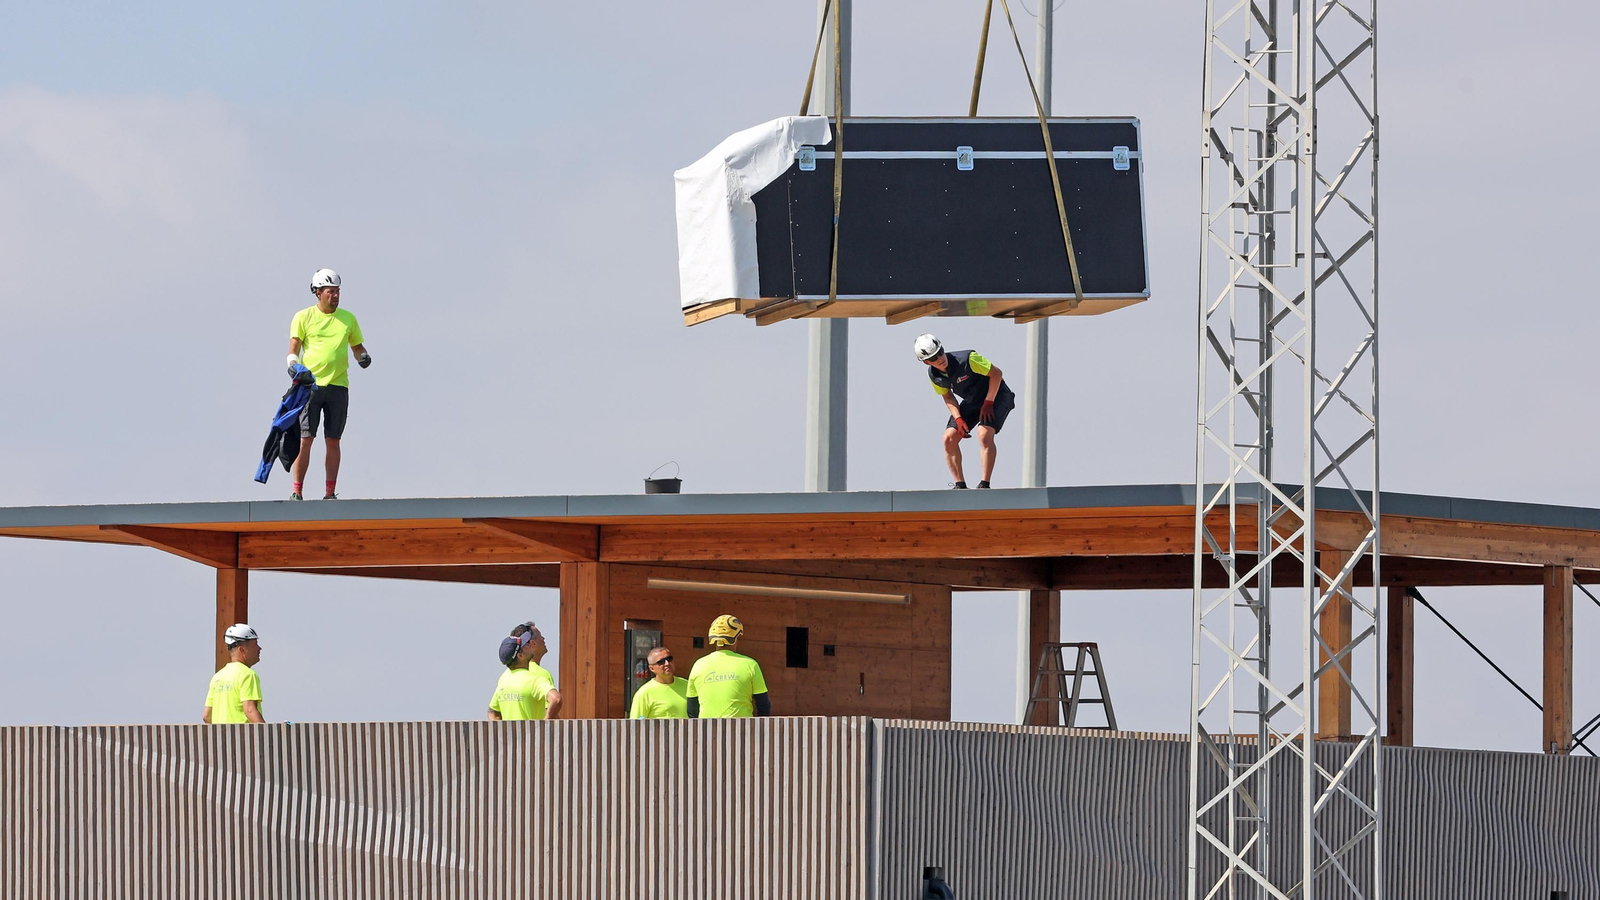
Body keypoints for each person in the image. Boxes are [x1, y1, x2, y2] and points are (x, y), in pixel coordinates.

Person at [286, 268, 372, 501]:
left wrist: (363, 356)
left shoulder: (348, 318)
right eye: (330, 292)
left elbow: (357, 347)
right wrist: (293, 365)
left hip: (338, 386)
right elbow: (293, 349)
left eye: (337, 291)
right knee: (306, 438)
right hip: (310, 386)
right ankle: (297, 491)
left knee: (333, 440)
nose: (335, 296)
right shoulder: (303, 317)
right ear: (318, 292)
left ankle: (330, 493)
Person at [912, 333, 1015, 489]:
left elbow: (996, 374)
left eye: (940, 352)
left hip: (997, 395)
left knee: (984, 434)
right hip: (972, 401)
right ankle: (960, 485)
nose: (940, 358)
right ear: (926, 362)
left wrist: (988, 402)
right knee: (948, 438)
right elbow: (948, 396)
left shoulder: (968, 359)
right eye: (933, 358)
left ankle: (984, 485)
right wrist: (958, 418)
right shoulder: (934, 375)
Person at [686, 615, 771, 718]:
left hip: (707, 731)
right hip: (741, 731)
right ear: (736, 638)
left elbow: (691, 710)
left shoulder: (698, 665)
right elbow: (763, 705)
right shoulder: (750, 665)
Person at [488, 621, 562, 720]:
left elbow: (492, 712)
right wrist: (544, 726)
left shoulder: (504, 678)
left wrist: (501, 734)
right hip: (535, 734)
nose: (528, 646)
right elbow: (556, 700)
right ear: (520, 655)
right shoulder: (540, 677)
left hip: (512, 735)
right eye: (525, 645)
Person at [203, 624, 266, 724]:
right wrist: (267, 737)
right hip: (243, 738)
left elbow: (207, 716)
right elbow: (249, 710)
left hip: (220, 738)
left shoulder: (217, 677)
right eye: (255, 644)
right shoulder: (248, 675)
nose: (259, 648)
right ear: (242, 650)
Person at [629, 647, 689, 719]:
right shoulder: (644, 693)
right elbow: (637, 723)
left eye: (669, 659)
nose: (667, 663)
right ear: (652, 668)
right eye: (661, 662)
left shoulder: (687, 685)